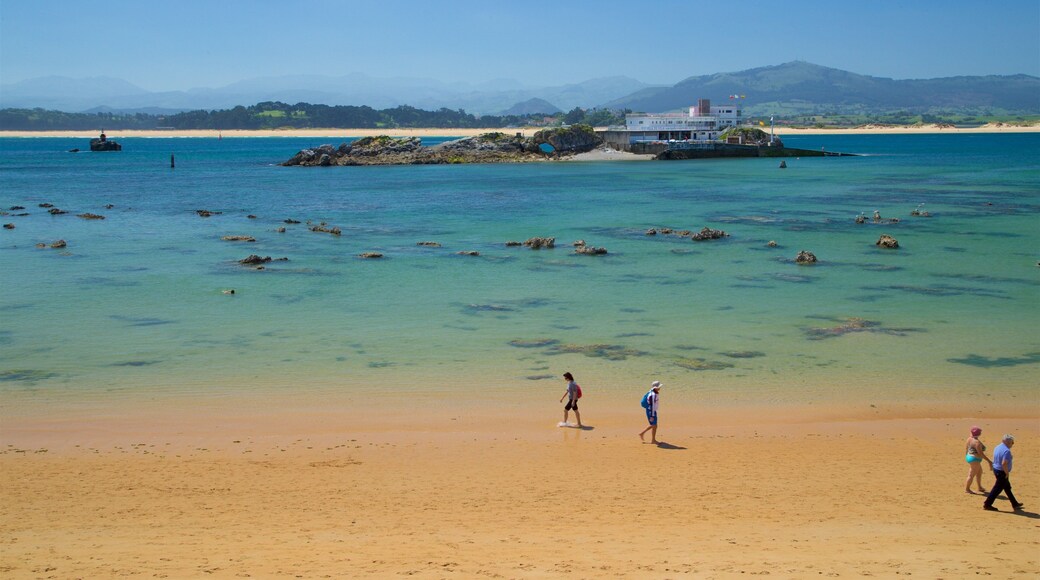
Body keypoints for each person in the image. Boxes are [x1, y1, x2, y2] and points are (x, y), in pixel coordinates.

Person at [983, 434, 1024, 511]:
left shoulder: (997, 447)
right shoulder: (1007, 451)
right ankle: (987, 504)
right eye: (1012, 442)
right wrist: (1007, 473)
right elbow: (1004, 463)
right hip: (1002, 472)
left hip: (996, 469)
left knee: (1007, 487)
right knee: (997, 489)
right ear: (1008, 442)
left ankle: (1014, 503)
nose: (1012, 444)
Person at [964, 426, 992, 494]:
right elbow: (981, 454)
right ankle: (967, 489)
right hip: (974, 459)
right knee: (971, 475)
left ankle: (979, 487)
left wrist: (967, 456)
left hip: (970, 457)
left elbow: (966, 448)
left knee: (979, 472)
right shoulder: (977, 442)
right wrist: (989, 461)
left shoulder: (969, 439)